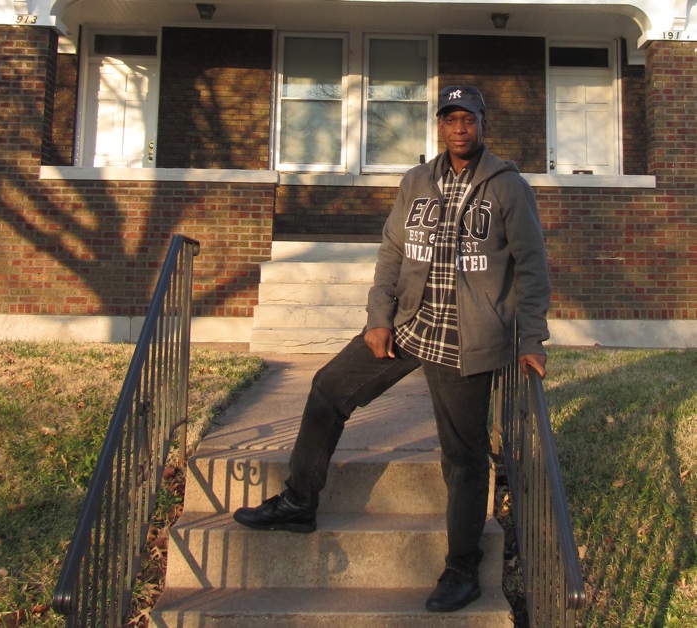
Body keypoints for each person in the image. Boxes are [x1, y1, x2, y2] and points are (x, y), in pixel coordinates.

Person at [234, 84, 551, 613]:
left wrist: (532, 338)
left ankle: (462, 567)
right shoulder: (417, 182)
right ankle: (299, 500)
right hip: (408, 326)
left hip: (467, 343)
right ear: (440, 125)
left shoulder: (508, 187)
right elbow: (391, 253)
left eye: (467, 119)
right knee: (328, 388)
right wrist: (378, 319)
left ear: (481, 122)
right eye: (449, 119)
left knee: (464, 458)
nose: (458, 128)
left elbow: (533, 266)